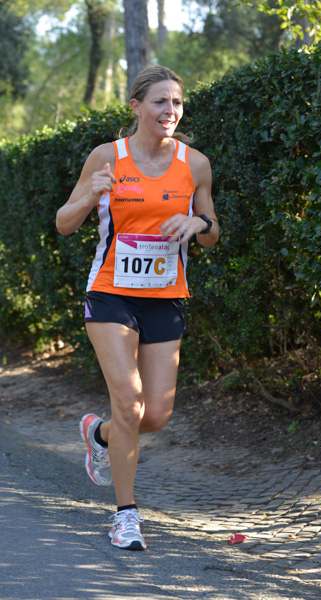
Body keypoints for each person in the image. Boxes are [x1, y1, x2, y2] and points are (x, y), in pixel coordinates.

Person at [56, 65, 219, 551]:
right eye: (159, 102)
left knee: (155, 415)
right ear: (136, 106)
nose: (170, 112)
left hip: (165, 296)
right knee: (129, 403)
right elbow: (65, 223)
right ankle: (126, 516)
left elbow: (213, 233)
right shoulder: (108, 157)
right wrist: (90, 193)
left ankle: (100, 434)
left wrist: (197, 223)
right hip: (110, 292)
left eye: (176, 103)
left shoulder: (195, 164)